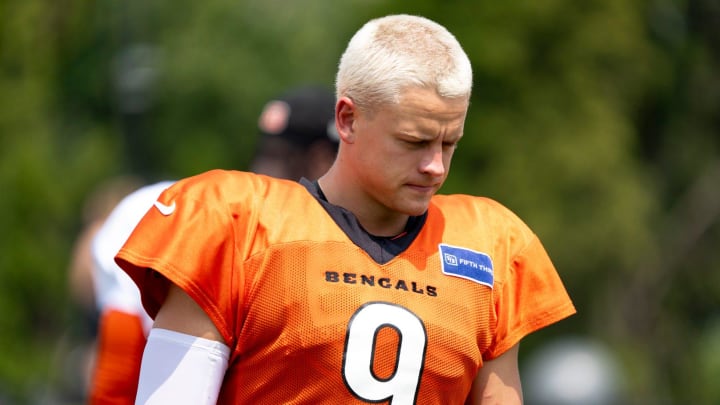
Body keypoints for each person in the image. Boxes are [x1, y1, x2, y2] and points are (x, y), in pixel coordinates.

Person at [116, 14, 576, 404]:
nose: (435, 165)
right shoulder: (235, 223)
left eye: (449, 142)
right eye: (414, 141)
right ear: (348, 119)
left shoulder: (491, 242)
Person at [86, 84, 338, 404]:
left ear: (321, 161)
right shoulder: (208, 214)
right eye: (265, 154)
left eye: (284, 158)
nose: (266, 169)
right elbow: (118, 376)